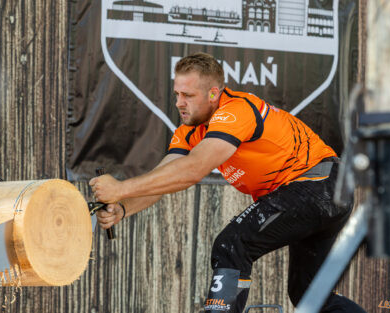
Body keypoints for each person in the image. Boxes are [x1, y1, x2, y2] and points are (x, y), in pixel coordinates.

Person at [89, 52, 366, 313]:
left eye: (188, 95)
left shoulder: (235, 111)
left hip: (318, 184)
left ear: (213, 94)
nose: (178, 103)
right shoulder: (190, 131)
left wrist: (120, 188)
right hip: (326, 191)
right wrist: (123, 208)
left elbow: (194, 169)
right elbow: (166, 176)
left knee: (233, 243)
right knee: (308, 295)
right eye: (176, 94)